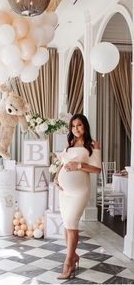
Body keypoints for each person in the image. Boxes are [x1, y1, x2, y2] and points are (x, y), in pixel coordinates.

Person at [54, 114, 101, 279]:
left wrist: (79, 165)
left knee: (72, 224)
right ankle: (73, 257)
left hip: (80, 192)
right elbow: (63, 163)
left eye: (79, 125)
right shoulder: (70, 143)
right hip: (64, 192)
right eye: (73, 126)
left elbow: (97, 169)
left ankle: (68, 263)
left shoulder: (93, 144)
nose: (76, 129)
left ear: (85, 126)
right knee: (67, 226)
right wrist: (56, 176)